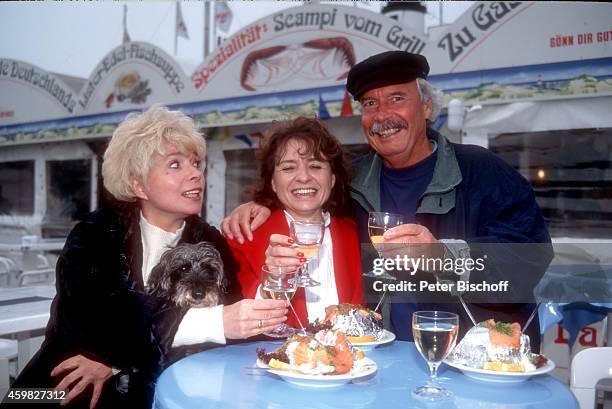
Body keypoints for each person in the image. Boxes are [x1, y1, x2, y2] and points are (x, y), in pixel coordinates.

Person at [222, 51, 553, 347]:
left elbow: (529, 262)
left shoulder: (482, 171)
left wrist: (443, 256)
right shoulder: (353, 180)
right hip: (383, 358)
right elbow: (306, 194)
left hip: (470, 357)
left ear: (426, 107)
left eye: (397, 98)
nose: (382, 115)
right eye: (370, 103)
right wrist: (263, 204)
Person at [10, 105, 288, 409]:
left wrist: (116, 362)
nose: (195, 173)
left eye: (195, 162)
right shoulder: (95, 233)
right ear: (138, 184)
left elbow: (233, 321)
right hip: (60, 388)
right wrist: (214, 322)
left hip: (165, 388)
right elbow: (94, 318)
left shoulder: (211, 240)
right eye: (175, 165)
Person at [228, 117, 362, 326]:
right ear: (273, 182)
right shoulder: (243, 238)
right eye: (289, 168)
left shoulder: (357, 234)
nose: (303, 177)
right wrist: (273, 280)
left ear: (333, 178)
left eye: (315, 166)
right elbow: (237, 323)